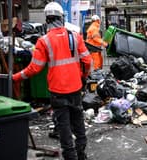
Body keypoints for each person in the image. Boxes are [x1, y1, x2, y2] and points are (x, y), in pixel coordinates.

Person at [12, 2, 92, 160]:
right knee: (78, 122)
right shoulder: (75, 37)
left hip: (57, 91)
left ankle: (70, 157)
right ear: (61, 17)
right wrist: (82, 76)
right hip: (75, 88)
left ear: (47, 19)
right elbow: (88, 61)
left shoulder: (44, 41)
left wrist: (15, 77)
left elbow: (34, 68)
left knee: (64, 128)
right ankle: (82, 155)